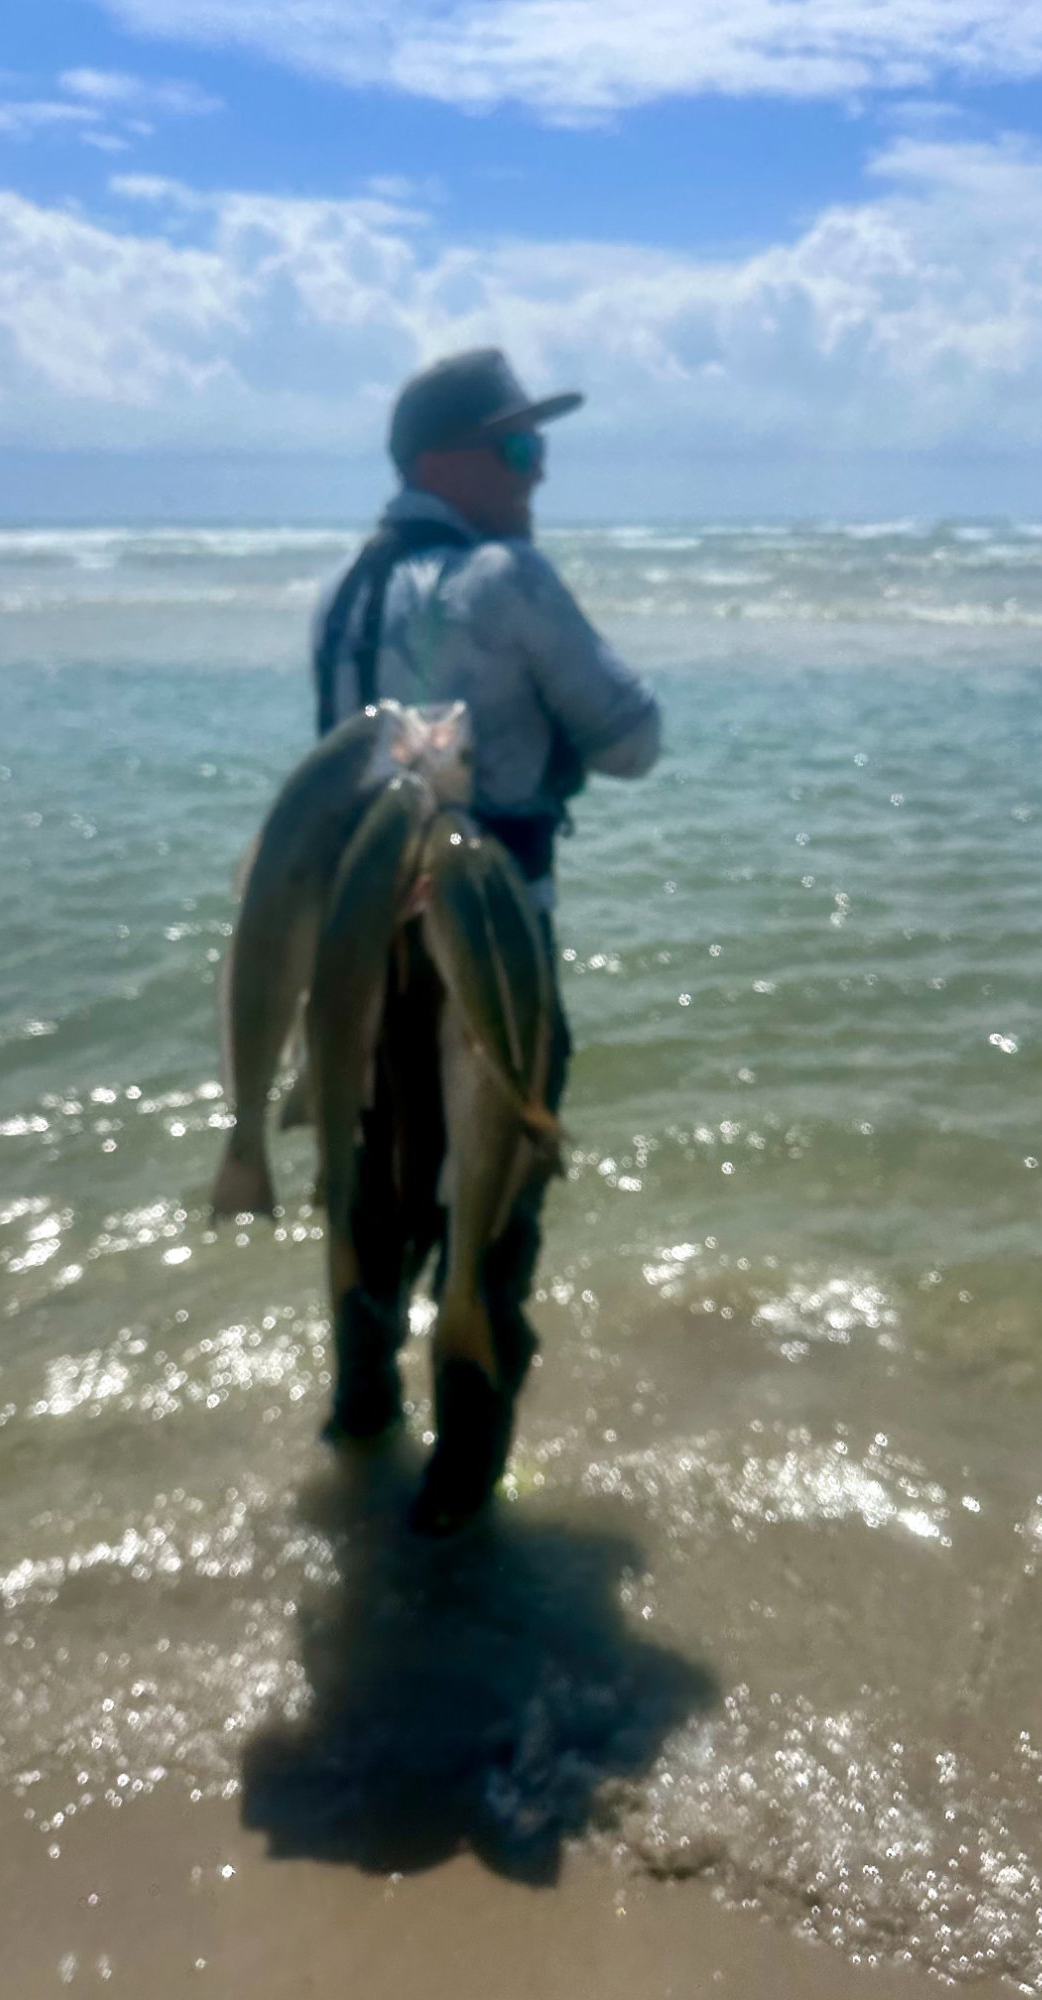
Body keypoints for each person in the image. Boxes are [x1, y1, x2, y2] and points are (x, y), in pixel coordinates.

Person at [313, 347, 661, 1533]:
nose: (539, 471)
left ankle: (359, 1426)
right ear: (446, 461)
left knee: (368, 1201)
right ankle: (461, 1505)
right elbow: (632, 738)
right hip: (486, 955)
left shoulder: (341, 592)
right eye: (521, 447)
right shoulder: (507, 577)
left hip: (359, 956)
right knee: (489, 1214)